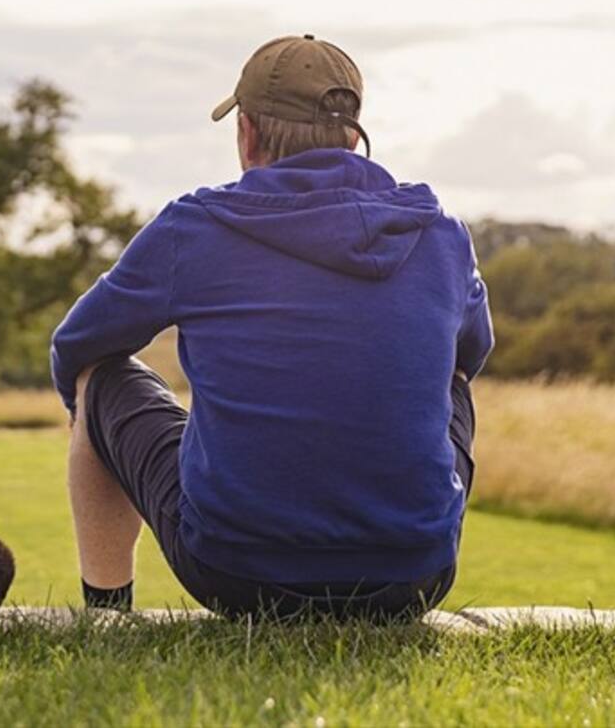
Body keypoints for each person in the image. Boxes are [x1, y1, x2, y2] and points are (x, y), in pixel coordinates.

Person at [50, 34, 493, 620]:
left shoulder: (195, 227)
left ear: (248, 132)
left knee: (98, 375)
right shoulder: (442, 233)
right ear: (353, 135)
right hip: (414, 576)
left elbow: (78, 344)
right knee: (453, 374)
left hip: (236, 573)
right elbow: (472, 353)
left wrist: (90, 416)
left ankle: (106, 614)